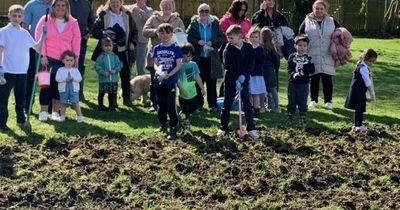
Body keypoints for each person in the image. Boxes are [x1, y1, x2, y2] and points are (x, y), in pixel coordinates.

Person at [35, 0, 81, 122]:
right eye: (58, 5)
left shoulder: (73, 22)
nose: (60, 8)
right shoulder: (45, 20)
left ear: (67, 7)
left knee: (60, 87)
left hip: (65, 60)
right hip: (48, 58)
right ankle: (43, 112)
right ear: (53, 7)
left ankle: (55, 112)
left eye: (63, 5)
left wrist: (76, 57)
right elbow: (40, 37)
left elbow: (77, 40)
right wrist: (43, 55)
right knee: (46, 86)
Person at [91, 0, 138, 108]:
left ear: (121, 2)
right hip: (109, 51)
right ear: (109, 3)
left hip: (124, 50)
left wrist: (133, 43)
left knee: (125, 75)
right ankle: (113, 100)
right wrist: (105, 34)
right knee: (110, 75)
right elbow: (95, 31)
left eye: (117, 2)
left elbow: (135, 31)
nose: (115, 4)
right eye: (113, 2)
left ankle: (127, 98)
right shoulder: (103, 14)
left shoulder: (127, 14)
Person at [0, 4, 38, 132]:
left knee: (21, 97)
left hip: (22, 71)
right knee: (3, 98)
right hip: (7, 70)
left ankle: (21, 120)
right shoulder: (4, 32)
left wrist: (44, 35)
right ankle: (2, 122)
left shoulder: (24, 33)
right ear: (9, 16)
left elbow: (37, 47)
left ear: (23, 17)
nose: (16, 18)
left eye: (19, 16)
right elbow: (0, 50)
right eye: (14, 16)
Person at [143, 0, 185, 112]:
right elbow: (144, 31)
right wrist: (157, 31)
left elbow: (182, 35)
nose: (167, 6)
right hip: (156, 54)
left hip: (172, 57)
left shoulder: (177, 19)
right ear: (161, 6)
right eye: (164, 5)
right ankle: (154, 102)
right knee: (155, 79)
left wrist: (175, 37)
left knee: (171, 80)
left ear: (173, 6)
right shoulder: (153, 18)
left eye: (169, 5)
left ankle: (171, 103)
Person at [218, 25, 258, 139]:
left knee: (246, 103)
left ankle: (251, 128)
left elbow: (251, 63)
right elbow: (227, 65)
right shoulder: (228, 48)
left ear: (240, 36)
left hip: (244, 79)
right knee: (227, 103)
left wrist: (244, 76)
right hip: (231, 79)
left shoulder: (248, 48)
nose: (229, 40)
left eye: (231, 38)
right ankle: (223, 127)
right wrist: (236, 79)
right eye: (228, 38)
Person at [298, 0, 340, 110]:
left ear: (325, 10)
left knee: (327, 78)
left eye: (322, 9)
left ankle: (328, 101)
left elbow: (340, 33)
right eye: (317, 8)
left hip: (328, 53)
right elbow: (301, 34)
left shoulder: (331, 21)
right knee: (314, 77)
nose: (319, 11)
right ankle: (313, 100)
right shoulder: (307, 20)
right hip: (312, 53)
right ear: (313, 9)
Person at [186, 3, 224, 112]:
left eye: (206, 11)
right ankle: (198, 105)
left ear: (210, 12)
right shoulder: (194, 23)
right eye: (201, 11)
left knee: (212, 82)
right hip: (198, 57)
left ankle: (213, 105)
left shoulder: (215, 23)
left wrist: (213, 42)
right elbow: (188, 37)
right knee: (198, 81)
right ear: (198, 13)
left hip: (212, 58)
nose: (204, 13)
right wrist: (197, 41)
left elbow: (221, 38)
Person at [152, 23, 183, 140]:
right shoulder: (157, 48)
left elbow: (178, 65)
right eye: (162, 33)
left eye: (167, 33)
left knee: (171, 105)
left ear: (171, 34)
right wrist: (159, 72)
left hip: (171, 81)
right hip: (160, 80)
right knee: (160, 104)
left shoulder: (176, 48)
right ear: (158, 34)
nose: (164, 35)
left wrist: (169, 74)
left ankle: (174, 127)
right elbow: (155, 63)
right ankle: (162, 124)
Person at [22, 0, 52, 113]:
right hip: (32, 46)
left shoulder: (56, 5)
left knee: (48, 77)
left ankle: (48, 106)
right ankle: (27, 105)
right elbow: (25, 26)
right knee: (30, 77)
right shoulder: (31, 5)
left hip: (50, 48)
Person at [345, 49, 377, 132]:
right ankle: (359, 125)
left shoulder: (362, 67)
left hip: (358, 91)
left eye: (373, 62)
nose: (371, 64)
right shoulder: (363, 68)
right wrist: (372, 94)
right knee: (360, 109)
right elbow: (367, 82)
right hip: (358, 92)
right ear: (365, 58)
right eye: (370, 61)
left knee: (359, 109)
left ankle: (357, 125)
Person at [286, 35, 315, 128]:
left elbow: (312, 69)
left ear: (307, 47)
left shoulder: (308, 58)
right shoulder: (291, 57)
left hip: (304, 84)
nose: (302, 48)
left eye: (304, 46)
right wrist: (293, 74)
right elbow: (289, 69)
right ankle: (289, 118)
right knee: (292, 101)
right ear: (295, 46)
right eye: (300, 45)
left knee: (302, 101)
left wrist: (305, 67)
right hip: (293, 83)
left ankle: (302, 119)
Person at [69, 0, 95, 102]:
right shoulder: (65, 2)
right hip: (66, 39)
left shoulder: (86, 3)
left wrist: (89, 32)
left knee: (78, 66)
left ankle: (79, 94)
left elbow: (92, 20)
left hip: (82, 40)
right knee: (64, 66)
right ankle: (63, 95)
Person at [177, 43, 205, 130]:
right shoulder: (179, 66)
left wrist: (202, 88)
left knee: (193, 108)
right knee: (185, 109)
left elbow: (197, 77)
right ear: (182, 54)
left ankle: (183, 116)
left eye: (191, 56)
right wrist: (182, 89)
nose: (189, 58)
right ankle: (184, 121)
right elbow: (177, 80)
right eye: (188, 56)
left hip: (193, 92)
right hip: (183, 93)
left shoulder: (193, 64)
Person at [55, 51, 84, 123]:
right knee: (63, 103)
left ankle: (80, 116)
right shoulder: (60, 70)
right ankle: (62, 116)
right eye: (67, 60)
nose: (69, 62)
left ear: (74, 61)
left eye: (71, 60)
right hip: (63, 90)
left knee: (75, 103)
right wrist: (64, 80)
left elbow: (80, 78)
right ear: (63, 60)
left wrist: (74, 79)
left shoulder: (75, 70)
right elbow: (57, 79)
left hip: (74, 90)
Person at [95, 37, 123, 111]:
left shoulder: (115, 57)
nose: (108, 48)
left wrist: (115, 70)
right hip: (103, 80)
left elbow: (120, 65)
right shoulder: (101, 57)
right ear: (102, 47)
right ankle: (101, 106)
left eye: (110, 46)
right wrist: (103, 72)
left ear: (113, 46)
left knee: (112, 94)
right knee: (102, 93)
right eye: (106, 46)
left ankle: (112, 106)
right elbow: (97, 66)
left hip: (113, 80)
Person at [128, 0, 153, 76]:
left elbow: (149, 21)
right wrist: (132, 11)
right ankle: (127, 85)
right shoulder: (129, 8)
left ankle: (140, 85)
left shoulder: (149, 10)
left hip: (142, 41)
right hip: (130, 41)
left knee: (140, 67)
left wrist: (141, 12)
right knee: (128, 65)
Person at [247, 26, 266, 118]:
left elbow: (261, 61)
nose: (254, 39)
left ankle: (256, 110)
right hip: (248, 74)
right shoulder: (247, 47)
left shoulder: (260, 49)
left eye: (256, 37)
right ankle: (249, 109)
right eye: (252, 37)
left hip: (256, 74)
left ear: (259, 38)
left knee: (256, 93)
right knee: (249, 92)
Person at [260, 27, 280, 113]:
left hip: (263, 69)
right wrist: (276, 68)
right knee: (272, 89)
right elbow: (276, 60)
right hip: (271, 70)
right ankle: (276, 106)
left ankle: (262, 106)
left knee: (262, 89)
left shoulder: (261, 47)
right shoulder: (272, 47)